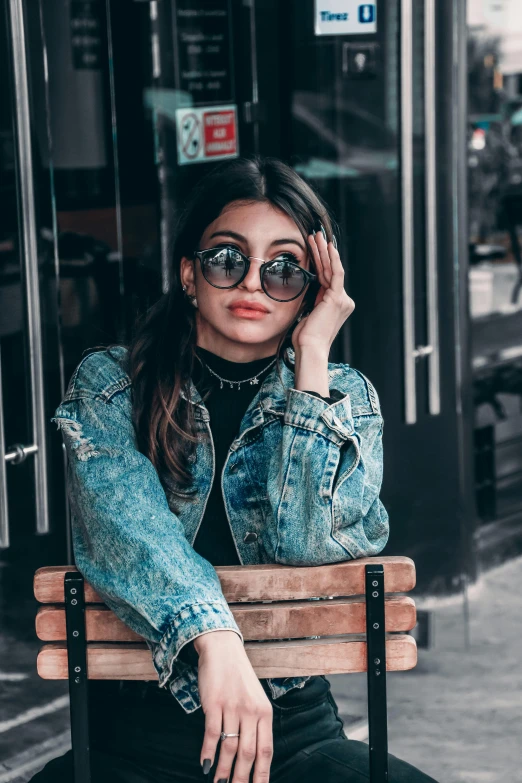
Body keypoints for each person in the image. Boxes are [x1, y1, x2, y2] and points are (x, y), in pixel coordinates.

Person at [31, 156, 437, 782]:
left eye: (283, 269)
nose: (253, 283)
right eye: (228, 259)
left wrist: (312, 361)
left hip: (294, 733)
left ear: (312, 289)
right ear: (189, 275)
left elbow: (305, 552)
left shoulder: (341, 398)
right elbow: (128, 536)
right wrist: (216, 642)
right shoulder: (113, 387)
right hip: (131, 745)